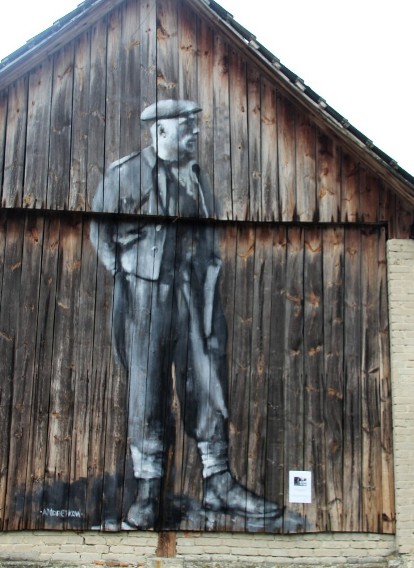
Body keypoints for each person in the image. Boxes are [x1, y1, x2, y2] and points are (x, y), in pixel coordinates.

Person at [89, 99, 281, 529]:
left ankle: (218, 481)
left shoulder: (196, 175)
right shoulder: (125, 173)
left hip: (194, 292)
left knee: (206, 381)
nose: (195, 133)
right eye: (187, 126)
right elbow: (98, 230)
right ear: (160, 131)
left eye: (196, 125)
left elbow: (209, 235)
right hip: (145, 295)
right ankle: (148, 493)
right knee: (148, 388)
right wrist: (124, 272)